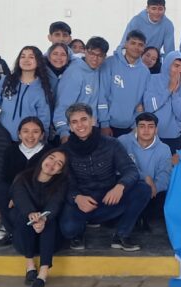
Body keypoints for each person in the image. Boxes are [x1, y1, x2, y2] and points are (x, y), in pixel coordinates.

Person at [59, 103, 150, 252]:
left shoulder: (111, 144)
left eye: (84, 119)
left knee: (143, 189)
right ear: (69, 126)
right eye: (74, 122)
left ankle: (121, 235)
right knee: (69, 230)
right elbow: (61, 183)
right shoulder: (65, 150)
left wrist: (120, 186)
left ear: (93, 121)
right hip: (81, 204)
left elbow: (131, 170)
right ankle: (79, 232)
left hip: (108, 200)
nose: (80, 125)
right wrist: (76, 197)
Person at [0, 46, 55, 230]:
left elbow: (44, 117)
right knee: (0, 177)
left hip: (29, 142)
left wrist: (41, 138)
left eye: (31, 57)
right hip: (4, 137)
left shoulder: (42, 87)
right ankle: (2, 216)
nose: (26, 59)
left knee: (24, 179)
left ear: (38, 61)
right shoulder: (8, 80)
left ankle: (23, 216)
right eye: (22, 56)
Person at [9, 148, 70, 287]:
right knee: (24, 217)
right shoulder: (23, 178)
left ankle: (42, 275)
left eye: (58, 164)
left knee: (50, 221)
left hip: (49, 243)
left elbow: (55, 204)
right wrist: (32, 214)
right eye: (51, 158)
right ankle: (30, 266)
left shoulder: (61, 184)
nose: (52, 164)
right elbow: (20, 197)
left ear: (59, 171)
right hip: (25, 241)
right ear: (43, 158)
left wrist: (43, 219)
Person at [0, 117, 50, 245]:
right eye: (25, 131)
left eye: (35, 131)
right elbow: (6, 178)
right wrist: (14, 194)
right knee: (0, 190)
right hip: (14, 192)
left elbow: (48, 181)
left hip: (37, 194)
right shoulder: (10, 151)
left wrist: (20, 197)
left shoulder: (48, 153)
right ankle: (10, 230)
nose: (30, 135)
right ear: (19, 134)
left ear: (42, 135)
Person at [119, 113, 174, 229]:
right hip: (128, 188)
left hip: (152, 193)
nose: (146, 130)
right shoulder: (123, 141)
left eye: (150, 126)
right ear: (136, 128)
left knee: (166, 195)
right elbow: (120, 168)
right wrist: (145, 177)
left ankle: (141, 218)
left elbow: (165, 174)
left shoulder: (164, 149)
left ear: (156, 129)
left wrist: (154, 188)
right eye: (142, 126)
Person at [54, 37, 109, 142]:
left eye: (100, 55)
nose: (95, 58)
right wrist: (63, 132)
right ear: (85, 51)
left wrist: (104, 124)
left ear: (104, 57)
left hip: (92, 129)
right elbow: (62, 105)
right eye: (92, 53)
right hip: (74, 131)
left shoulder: (98, 70)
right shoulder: (74, 73)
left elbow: (101, 100)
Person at [101, 31, 151, 137]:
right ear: (126, 44)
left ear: (143, 48)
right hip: (107, 126)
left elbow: (142, 102)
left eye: (140, 45)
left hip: (130, 127)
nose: (136, 47)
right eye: (133, 43)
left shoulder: (145, 71)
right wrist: (104, 124)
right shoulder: (110, 63)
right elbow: (102, 95)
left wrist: (135, 124)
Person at [143, 51, 181, 153]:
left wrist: (175, 93)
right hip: (151, 137)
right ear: (167, 65)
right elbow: (149, 107)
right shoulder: (152, 79)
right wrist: (169, 89)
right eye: (176, 66)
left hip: (173, 139)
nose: (179, 70)